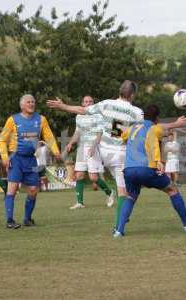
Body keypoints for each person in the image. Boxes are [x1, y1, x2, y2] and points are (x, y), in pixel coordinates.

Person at [47, 80, 144, 227]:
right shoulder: (137, 112)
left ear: (119, 91)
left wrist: (63, 106)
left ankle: (118, 209)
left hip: (102, 151)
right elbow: (140, 134)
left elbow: (83, 110)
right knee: (124, 191)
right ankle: (120, 221)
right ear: (132, 95)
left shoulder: (106, 104)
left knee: (100, 179)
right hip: (119, 154)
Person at [113, 104, 186, 237]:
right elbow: (162, 129)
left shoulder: (133, 127)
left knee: (130, 196)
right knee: (172, 189)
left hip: (129, 169)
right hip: (146, 169)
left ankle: (119, 230)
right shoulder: (154, 128)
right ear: (157, 118)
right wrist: (177, 123)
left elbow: (121, 136)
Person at [0, 94, 61, 229]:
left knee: (33, 189)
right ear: (22, 105)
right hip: (16, 158)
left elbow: (49, 137)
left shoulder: (41, 119)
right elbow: (2, 140)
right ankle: (10, 220)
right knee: (12, 189)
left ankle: (27, 219)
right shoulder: (12, 120)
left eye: (33, 102)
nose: (31, 104)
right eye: (28, 102)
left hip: (31, 159)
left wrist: (56, 151)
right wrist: (4, 158)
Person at [65, 95, 115, 209]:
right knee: (79, 175)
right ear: (82, 104)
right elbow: (77, 133)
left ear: (93, 104)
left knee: (93, 177)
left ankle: (109, 192)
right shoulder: (79, 116)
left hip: (93, 148)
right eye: (86, 101)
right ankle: (80, 202)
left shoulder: (98, 116)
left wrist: (93, 147)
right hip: (81, 148)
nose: (88, 103)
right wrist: (70, 143)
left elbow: (99, 133)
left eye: (90, 101)